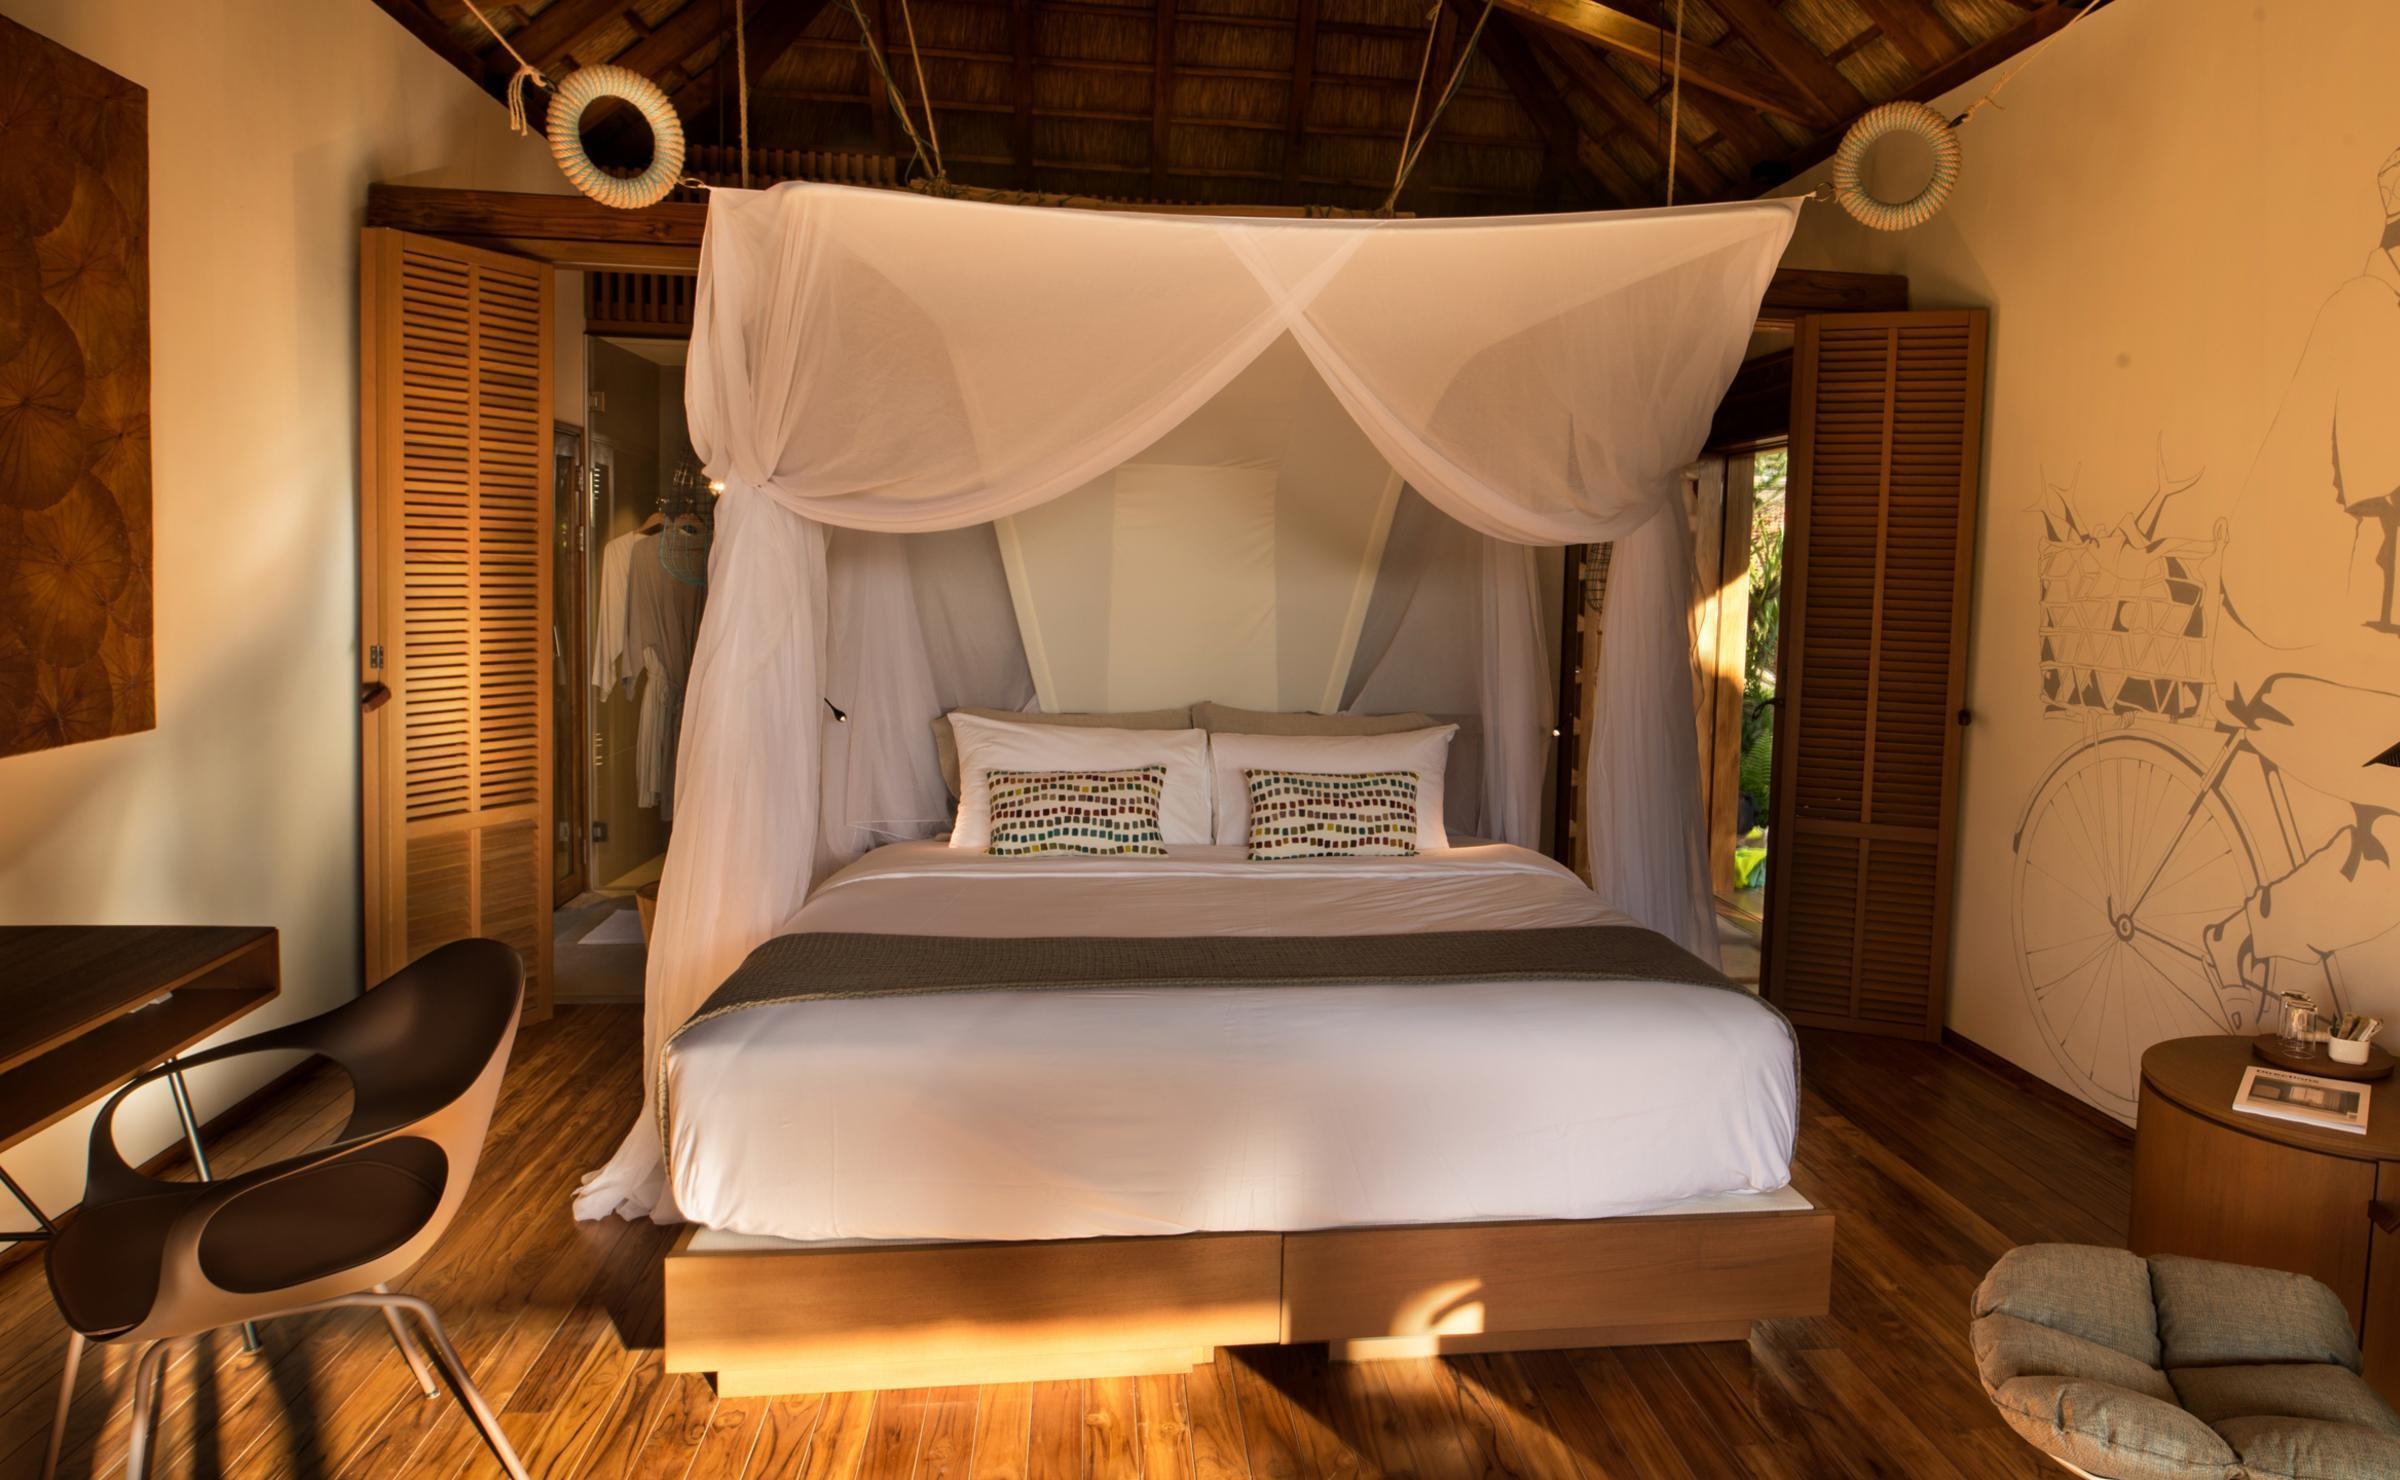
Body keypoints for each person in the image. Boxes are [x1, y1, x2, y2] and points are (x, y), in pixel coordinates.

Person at [2202, 148, 2400, 994]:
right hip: (2277, 661)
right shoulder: (2369, 316)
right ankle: (2253, 934)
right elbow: (2386, 501)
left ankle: (2255, 935)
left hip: (2329, 653)